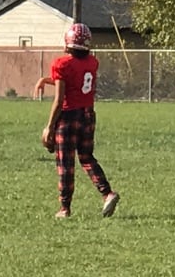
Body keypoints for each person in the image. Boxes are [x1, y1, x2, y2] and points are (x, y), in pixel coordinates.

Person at [38, 22, 120, 219]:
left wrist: (49, 126)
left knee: (65, 163)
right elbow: (75, 80)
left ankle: (64, 208)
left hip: (68, 117)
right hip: (88, 115)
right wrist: (46, 80)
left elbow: (59, 100)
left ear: (68, 42)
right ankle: (107, 193)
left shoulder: (62, 64)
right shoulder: (92, 62)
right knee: (86, 157)